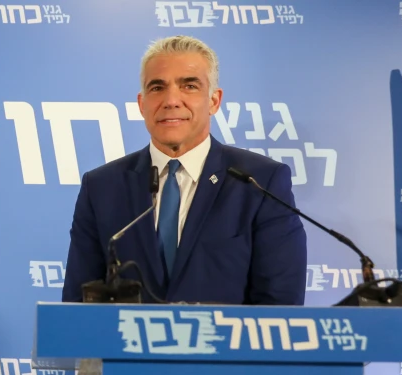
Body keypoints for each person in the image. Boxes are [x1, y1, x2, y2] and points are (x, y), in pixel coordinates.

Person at [61, 35, 306, 305]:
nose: (171, 100)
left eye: (189, 86)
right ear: (142, 104)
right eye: (157, 88)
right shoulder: (102, 187)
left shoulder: (260, 182)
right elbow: (77, 304)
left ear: (214, 100)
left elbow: (281, 308)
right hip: (126, 345)